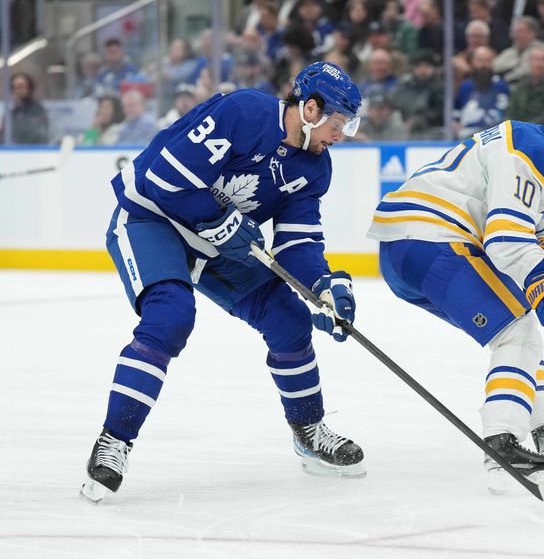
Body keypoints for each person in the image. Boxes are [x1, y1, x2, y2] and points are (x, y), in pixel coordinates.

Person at [80, 62, 366, 503]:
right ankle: (114, 440)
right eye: (339, 121)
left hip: (218, 242)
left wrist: (326, 286)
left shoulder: (314, 168)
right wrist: (223, 221)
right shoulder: (245, 112)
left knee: (289, 320)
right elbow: (165, 180)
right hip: (152, 218)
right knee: (171, 316)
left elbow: (297, 242)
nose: (342, 133)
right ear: (311, 108)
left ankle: (308, 430)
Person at [366, 90, 544, 493]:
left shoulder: (535, 152)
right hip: (433, 240)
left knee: (516, 329)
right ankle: (503, 442)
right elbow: (506, 240)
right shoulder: (532, 150)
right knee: (519, 331)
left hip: (407, 251)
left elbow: (536, 233)